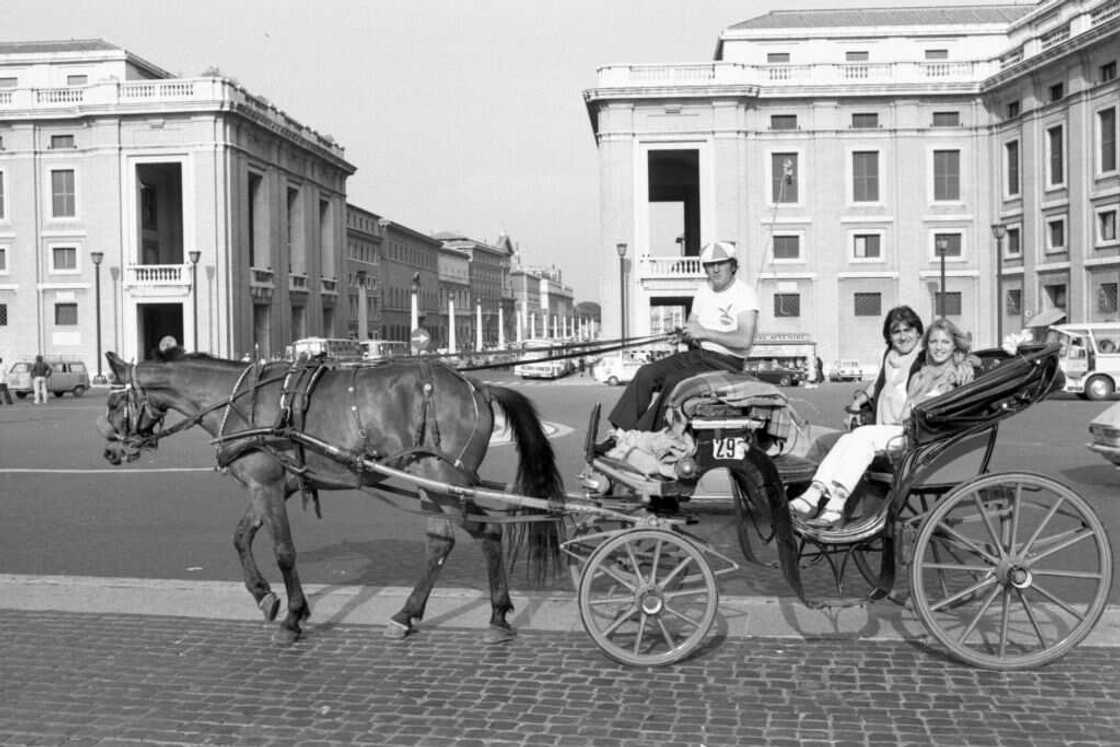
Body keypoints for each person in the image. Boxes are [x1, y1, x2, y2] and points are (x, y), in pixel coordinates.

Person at [791, 318, 977, 528]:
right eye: (934, 342)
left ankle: (830, 502)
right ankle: (819, 494)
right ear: (927, 345)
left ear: (954, 346)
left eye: (945, 342)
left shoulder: (960, 375)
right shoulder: (920, 376)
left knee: (863, 436)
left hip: (928, 439)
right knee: (851, 437)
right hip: (908, 431)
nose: (939, 347)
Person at [602, 240, 759, 440]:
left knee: (674, 382)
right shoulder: (703, 291)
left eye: (721, 263)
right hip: (698, 355)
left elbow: (744, 340)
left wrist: (705, 332)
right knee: (646, 373)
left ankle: (642, 437)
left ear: (733, 266)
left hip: (726, 362)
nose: (715, 269)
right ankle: (619, 433)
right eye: (710, 265)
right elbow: (692, 328)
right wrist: (683, 334)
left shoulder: (745, 294)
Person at [844, 305, 925, 430]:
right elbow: (877, 384)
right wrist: (857, 403)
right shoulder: (887, 356)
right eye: (896, 332)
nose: (903, 337)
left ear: (918, 332)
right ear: (889, 336)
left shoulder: (924, 359)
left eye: (907, 330)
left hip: (907, 434)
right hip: (880, 427)